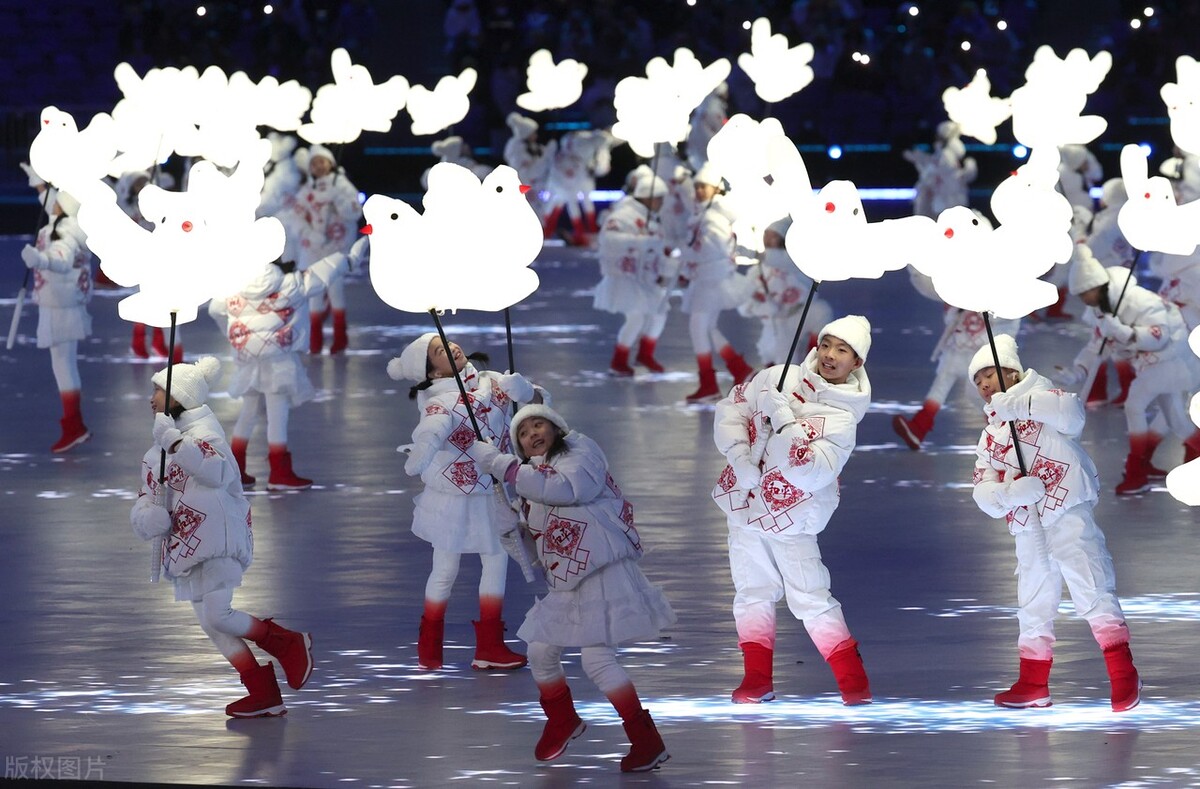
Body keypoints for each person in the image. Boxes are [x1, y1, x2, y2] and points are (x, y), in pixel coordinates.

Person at [472, 404, 675, 772]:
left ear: (557, 427)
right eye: (523, 432)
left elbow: (566, 489)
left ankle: (646, 741)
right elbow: (533, 550)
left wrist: (504, 466)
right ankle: (563, 719)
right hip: (569, 579)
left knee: (597, 659)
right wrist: (508, 519)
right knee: (539, 650)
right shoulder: (532, 478)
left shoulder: (580, 451)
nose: (532, 432)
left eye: (538, 424)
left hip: (601, 571)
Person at [129, 356, 314, 717]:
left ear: (179, 396)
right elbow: (147, 496)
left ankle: (288, 643)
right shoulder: (155, 453)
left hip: (217, 537)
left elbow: (217, 472)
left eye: (158, 390)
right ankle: (263, 693)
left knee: (219, 615)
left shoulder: (205, 436)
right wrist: (148, 517)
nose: (151, 397)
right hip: (185, 545)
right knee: (211, 623)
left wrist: (176, 444)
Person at [968, 335, 1140, 711]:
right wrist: (1010, 494)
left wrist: (1020, 405)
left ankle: (1121, 671)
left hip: (1066, 505)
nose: (983, 385)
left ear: (1011, 372)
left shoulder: (1046, 399)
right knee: (1033, 597)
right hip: (1027, 522)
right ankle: (1033, 682)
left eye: (989, 376)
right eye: (977, 381)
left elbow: (1073, 415)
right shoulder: (990, 436)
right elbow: (982, 487)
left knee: (1088, 579)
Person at [711, 315, 874, 706]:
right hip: (745, 506)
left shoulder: (842, 419)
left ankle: (854, 684)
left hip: (792, 518)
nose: (830, 355)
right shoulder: (775, 378)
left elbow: (811, 470)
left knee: (811, 598)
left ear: (857, 363)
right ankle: (756, 680)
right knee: (751, 592)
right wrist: (739, 457)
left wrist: (784, 420)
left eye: (842, 350)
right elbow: (730, 409)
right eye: (826, 344)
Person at [388, 333, 536, 671]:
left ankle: (489, 646)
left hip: (493, 490)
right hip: (455, 496)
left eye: (448, 342)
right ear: (434, 374)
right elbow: (433, 429)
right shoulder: (438, 401)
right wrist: (423, 452)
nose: (452, 347)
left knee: (496, 560)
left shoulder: (493, 381)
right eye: (440, 351)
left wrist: (525, 391)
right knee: (445, 568)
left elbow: (538, 403)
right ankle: (430, 648)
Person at [208, 252, 348, 490]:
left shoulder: (234, 282)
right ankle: (279, 472)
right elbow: (325, 273)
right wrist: (350, 254)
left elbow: (215, 309)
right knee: (277, 413)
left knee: (249, 412)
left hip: (248, 359)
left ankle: (236, 469)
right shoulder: (289, 282)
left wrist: (235, 334)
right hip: (279, 360)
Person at [1065, 251, 1196, 493]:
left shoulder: (1140, 300)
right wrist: (1077, 371)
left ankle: (1137, 472)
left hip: (1171, 360)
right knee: (1176, 421)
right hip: (1151, 364)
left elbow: (1160, 335)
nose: (1083, 299)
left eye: (1085, 293)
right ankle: (1144, 467)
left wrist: (1123, 332)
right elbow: (1096, 346)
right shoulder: (1101, 309)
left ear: (1097, 286)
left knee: (1134, 405)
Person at [893, 266, 1020, 450]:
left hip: (979, 354)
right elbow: (932, 287)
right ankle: (918, 427)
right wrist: (916, 267)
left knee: (976, 395)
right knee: (940, 386)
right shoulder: (956, 280)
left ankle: (1003, 432)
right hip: (956, 348)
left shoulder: (1000, 289)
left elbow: (1011, 318)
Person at [21, 188, 93, 453]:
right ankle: (74, 424)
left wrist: (39, 259)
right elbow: (50, 199)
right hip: (63, 303)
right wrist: (40, 184)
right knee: (64, 365)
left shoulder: (63, 232)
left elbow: (60, 259)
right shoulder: (69, 225)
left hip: (60, 307)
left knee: (63, 366)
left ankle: (74, 426)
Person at [678, 163, 755, 402]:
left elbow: (715, 247)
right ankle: (738, 368)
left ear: (717, 189)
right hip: (705, 279)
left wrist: (690, 255)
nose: (700, 190)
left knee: (698, 327)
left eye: (705, 187)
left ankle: (709, 383)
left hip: (710, 280)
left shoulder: (712, 217)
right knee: (707, 327)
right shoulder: (702, 215)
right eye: (698, 186)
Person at [593, 170, 674, 375]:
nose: (661, 203)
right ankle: (619, 360)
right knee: (636, 316)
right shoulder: (623, 216)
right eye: (659, 199)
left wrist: (667, 269)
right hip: (626, 277)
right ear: (649, 197)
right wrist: (640, 242)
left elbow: (658, 250)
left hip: (648, 278)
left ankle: (645, 354)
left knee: (659, 314)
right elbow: (608, 240)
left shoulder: (654, 220)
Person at [288, 144, 361, 355]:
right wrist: (310, 233)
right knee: (313, 295)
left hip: (335, 249)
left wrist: (337, 199)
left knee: (336, 292)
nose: (318, 166)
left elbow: (354, 212)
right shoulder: (307, 190)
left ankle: (340, 339)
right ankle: (315, 340)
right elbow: (296, 217)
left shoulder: (343, 186)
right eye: (314, 163)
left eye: (322, 161)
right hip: (313, 250)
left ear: (330, 163)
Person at [741, 218, 832, 367]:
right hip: (776, 323)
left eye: (773, 235)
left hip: (800, 314)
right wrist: (762, 308)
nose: (768, 239)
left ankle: (816, 364)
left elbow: (778, 259)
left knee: (822, 310)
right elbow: (744, 305)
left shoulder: (795, 259)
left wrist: (749, 253)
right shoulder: (756, 272)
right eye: (766, 234)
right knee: (779, 360)